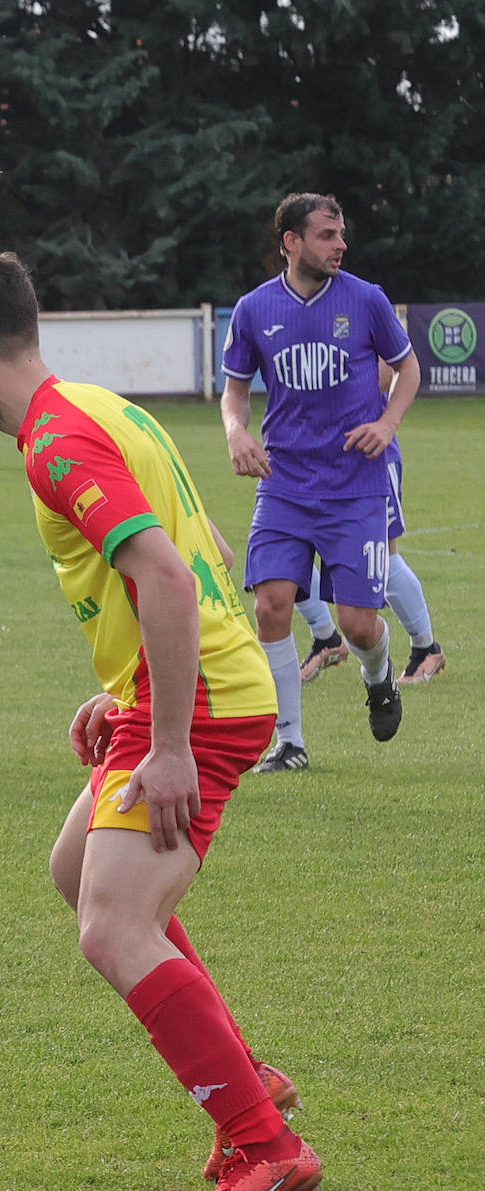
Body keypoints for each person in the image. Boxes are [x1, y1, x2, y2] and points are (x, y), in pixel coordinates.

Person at [0, 248, 321, 1191]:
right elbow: (200, 549)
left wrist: (164, 740)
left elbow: (168, 576)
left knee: (113, 926)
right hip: (192, 687)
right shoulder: (99, 406)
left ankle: (267, 1146)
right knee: (77, 867)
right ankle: (249, 1078)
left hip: (200, 706)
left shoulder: (57, 443)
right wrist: (124, 692)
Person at [221, 192, 421, 772]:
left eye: (341, 234)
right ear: (291, 241)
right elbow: (235, 391)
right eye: (327, 235)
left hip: (355, 485)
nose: (341, 244)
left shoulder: (366, 300)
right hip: (284, 484)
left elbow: (408, 368)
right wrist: (237, 433)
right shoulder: (254, 309)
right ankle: (290, 742)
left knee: (358, 625)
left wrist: (387, 423)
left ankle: (379, 676)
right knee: (271, 605)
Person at [298, 366, 444, 685]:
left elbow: (386, 372)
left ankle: (426, 648)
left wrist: (322, 385)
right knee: (287, 554)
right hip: (311, 457)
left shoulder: (363, 315)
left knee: (382, 559)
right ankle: (325, 638)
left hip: (368, 455)